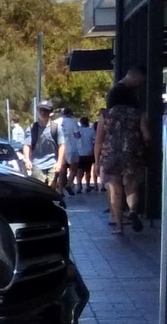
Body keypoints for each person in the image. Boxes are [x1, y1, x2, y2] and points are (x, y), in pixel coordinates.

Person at [98, 69, 152, 231]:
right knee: (131, 185)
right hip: (132, 152)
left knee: (114, 187)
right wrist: (146, 146)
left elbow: (99, 140)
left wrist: (96, 160)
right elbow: (147, 136)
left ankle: (119, 225)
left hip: (111, 153)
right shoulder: (138, 114)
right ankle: (133, 211)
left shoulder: (105, 115)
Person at [56, 104, 95, 194]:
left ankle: (60, 190)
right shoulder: (72, 122)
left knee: (62, 170)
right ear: (70, 114)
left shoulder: (57, 122)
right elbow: (77, 135)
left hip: (61, 149)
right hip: (71, 148)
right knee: (74, 169)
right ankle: (69, 184)